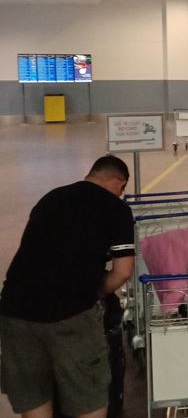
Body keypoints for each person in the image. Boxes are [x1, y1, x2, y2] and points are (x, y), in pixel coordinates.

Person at [0, 155, 135, 418]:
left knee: (34, 397)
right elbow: (123, 272)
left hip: (15, 310)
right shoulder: (115, 208)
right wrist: (97, 292)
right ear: (120, 182)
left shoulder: (51, 198)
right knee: (88, 397)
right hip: (71, 314)